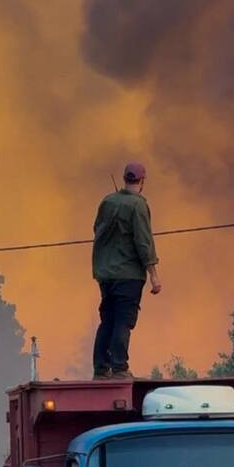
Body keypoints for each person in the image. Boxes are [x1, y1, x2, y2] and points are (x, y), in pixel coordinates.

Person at [92, 162, 161, 380]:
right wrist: (153, 275)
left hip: (105, 274)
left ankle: (101, 369)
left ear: (124, 178)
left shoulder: (107, 201)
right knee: (123, 320)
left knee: (108, 320)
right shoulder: (138, 205)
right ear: (142, 182)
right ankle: (120, 368)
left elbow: (97, 229)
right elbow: (143, 242)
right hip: (128, 274)